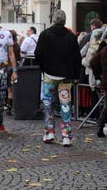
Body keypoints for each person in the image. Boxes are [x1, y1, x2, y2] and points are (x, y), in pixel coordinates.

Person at [34, 10, 81, 146]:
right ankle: (66, 135)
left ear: (53, 20)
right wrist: (75, 75)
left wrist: (44, 67)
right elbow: (77, 58)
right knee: (65, 105)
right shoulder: (71, 37)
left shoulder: (45, 35)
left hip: (49, 75)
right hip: (66, 77)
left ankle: (49, 133)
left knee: (48, 104)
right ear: (65, 21)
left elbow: (38, 54)